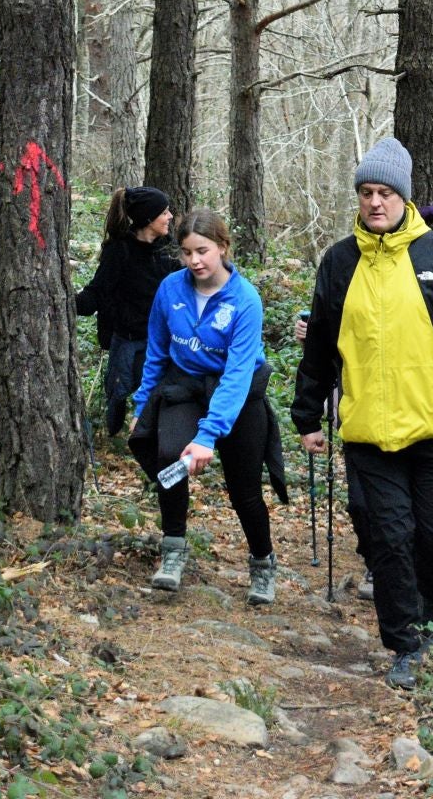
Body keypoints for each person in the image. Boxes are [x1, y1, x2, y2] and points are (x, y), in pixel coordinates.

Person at [293, 138, 433, 691]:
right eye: (366, 193)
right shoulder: (340, 262)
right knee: (387, 539)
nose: (374, 203)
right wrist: (308, 414)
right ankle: (405, 644)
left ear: (404, 198)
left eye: (385, 192)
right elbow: (320, 343)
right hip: (367, 433)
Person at [128, 210, 278, 603]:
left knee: (244, 488)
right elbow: (157, 352)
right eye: (186, 252)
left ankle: (262, 564)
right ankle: (173, 550)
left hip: (237, 393)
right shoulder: (170, 290)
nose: (194, 261)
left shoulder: (245, 300)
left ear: (223, 248)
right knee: (167, 457)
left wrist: (209, 435)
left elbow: (238, 374)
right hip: (186, 387)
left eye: (203, 251)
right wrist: (142, 406)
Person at [75, 187, 178, 436]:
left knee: (157, 390)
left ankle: (148, 434)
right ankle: (114, 436)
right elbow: (97, 292)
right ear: (147, 218)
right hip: (126, 338)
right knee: (118, 394)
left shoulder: (168, 251)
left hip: (159, 340)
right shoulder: (119, 251)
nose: (170, 216)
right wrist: (64, 303)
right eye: (164, 212)